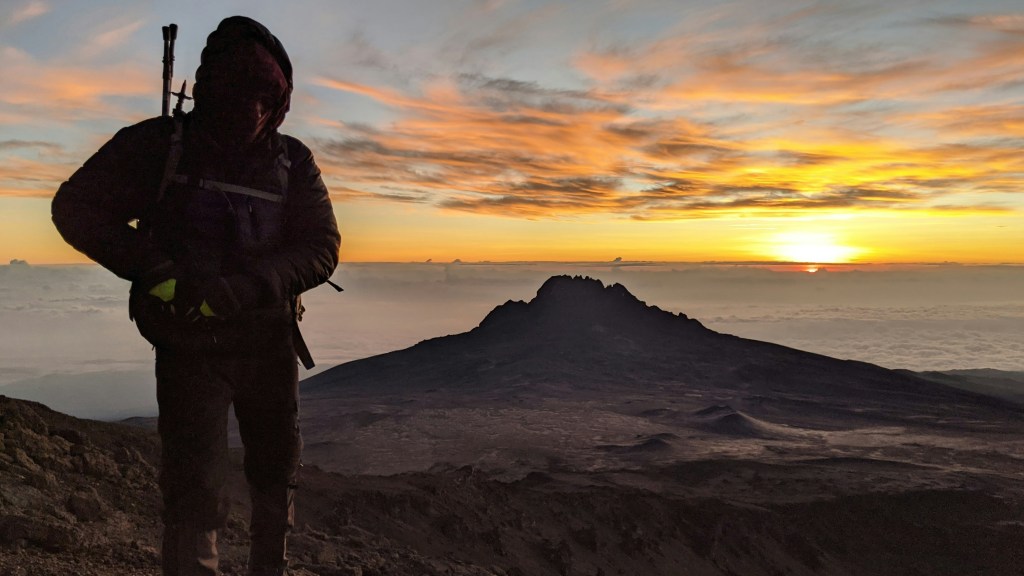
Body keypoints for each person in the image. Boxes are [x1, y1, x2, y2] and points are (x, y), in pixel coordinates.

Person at [51, 16, 341, 576]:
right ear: (210, 88)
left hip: (267, 343)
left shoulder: (291, 161)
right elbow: (75, 208)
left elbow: (322, 246)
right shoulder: (162, 147)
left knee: (273, 473)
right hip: (191, 347)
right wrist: (158, 270)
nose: (252, 110)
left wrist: (248, 287)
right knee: (196, 489)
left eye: (266, 97)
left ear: (280, 102)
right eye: (239, 93)